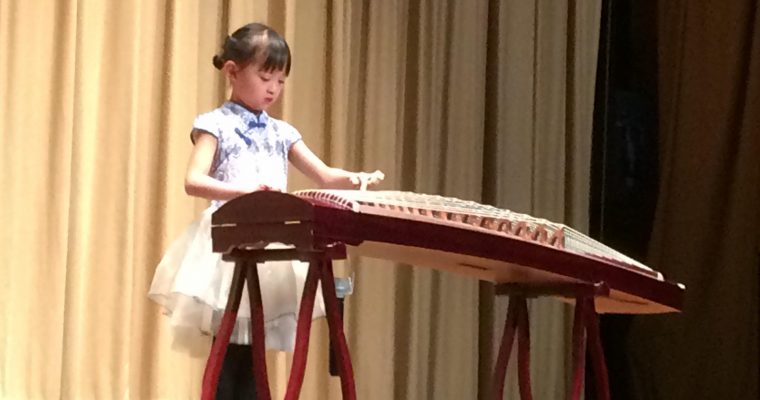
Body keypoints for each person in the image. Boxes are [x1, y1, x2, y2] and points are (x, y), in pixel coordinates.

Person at [148, 22, 384, 399]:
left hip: (274, 240)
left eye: (281, 80)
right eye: (265, 76)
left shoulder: (282, 132)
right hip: (231, 239)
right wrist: (244, 192)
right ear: (232, 71)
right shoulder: (215, 125)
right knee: (229, 346)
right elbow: (193, 181)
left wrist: (357, 178)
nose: (273, 88)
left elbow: (323, 174)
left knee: (255, 344)